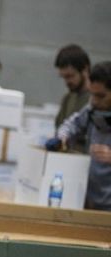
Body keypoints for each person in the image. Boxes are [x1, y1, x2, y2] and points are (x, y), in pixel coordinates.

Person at [49, 61, 111, 211]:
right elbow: (72, 124)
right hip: (90, 201)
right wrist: (61, 137)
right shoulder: (91, 110)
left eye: (101, 96)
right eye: (92, 94)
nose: (95, 101)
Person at [54, 44, 91, 153]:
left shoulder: (96, 101)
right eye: (64, 77)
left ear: (85, 69)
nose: (67, 82)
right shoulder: (67, 99)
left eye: (70, 76)